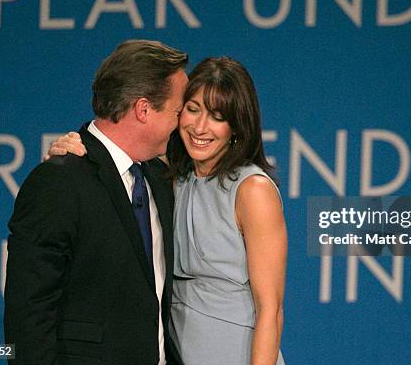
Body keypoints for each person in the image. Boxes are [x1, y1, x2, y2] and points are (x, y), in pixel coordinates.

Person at [48, 57, 288, 364]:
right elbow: (108, 157)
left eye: (217, 116)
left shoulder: (253, 190)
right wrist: (68, 152)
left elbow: (271, 309)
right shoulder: (166, 179)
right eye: (192, 109)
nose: (200, 127)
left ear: (237, 126)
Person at [4, 40, 189, 364]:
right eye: (178, 111)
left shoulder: (160, 178)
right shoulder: (58, 181)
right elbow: (28, 314)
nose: (184, 123)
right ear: (143, 109)